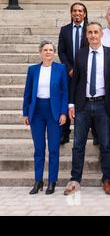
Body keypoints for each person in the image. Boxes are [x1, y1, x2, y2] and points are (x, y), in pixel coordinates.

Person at [64, 22, 110, 196]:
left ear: (101, 34)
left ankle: (107, 180)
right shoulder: (80, 54)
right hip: (83, 105)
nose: (93, 35)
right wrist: (71, 104)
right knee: (78, 144)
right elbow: (75, 82)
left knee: (105, 144)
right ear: (86, 35)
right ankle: (75, 180)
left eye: (96, 32)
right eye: (90, 32)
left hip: (103, 105)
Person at [23, 41, 68, 195]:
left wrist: (63, 113)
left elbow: (65, 93)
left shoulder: (60, 69)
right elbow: (27, 92)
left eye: (50, 50)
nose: (48, 52)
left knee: (54, 149)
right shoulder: (33, 70)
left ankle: (52, 181)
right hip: (36, 112)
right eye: (45, 50)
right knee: (39, 149)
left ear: (54, 52)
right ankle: (38, 181)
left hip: (53, 111)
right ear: (40, 52)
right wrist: (25, 113)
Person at [57, 2, 89, 145]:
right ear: (71, 14)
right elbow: (61, 51)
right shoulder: (65, 30)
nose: (77, 13)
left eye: (80, 11)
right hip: (69, 73)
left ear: (85, 14)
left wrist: (82, 68)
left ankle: (94, 132)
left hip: (87, 72)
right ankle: (65, 133)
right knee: (67, 100)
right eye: (74, 11)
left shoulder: (90, 30)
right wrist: (69, 68)